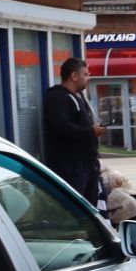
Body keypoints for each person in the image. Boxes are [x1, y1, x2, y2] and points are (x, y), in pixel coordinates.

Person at [43, 56, 105, 208]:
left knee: (91, 205)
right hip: (71, 165)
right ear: (74, 76)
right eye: (85, 74)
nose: (88, 78)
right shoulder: (58, 97)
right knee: (76, 206)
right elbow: (61, 127)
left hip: (88, 162)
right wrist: (91, 131)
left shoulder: (79, 96)